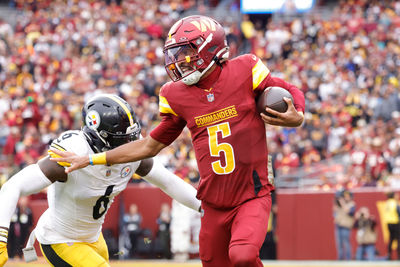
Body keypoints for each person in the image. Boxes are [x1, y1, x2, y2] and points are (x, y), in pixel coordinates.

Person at [50, 15, 305, 267]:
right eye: (175, 53)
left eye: (185, 52)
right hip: (214, 201)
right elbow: (149, 145)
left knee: (243, 255)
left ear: (210, 48)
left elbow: (290, 89)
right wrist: (92, 159)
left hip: (252, 193)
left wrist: (298, 115)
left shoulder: (245, 69)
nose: (178, 61)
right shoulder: (175, 94)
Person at [0, 94, 201, 267]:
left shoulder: (134, 155)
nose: (130, 144)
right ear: (100, 138)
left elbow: (168, 182)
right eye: (122, 138)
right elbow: (12, 186)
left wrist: (204, 207)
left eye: (131, 136)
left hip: (94, 238)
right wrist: (0, 238)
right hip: (60, 239)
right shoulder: (71, 154)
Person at [333, 189, 356, 260]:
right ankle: (340, 258)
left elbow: (349, 212)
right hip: (338, 225)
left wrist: (342, 203)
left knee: (346, 242)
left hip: (346, 226)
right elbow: (334, 213)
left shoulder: (352, 204)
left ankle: (348, 258)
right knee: (339, 243)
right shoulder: (339, 204)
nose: (346, 198)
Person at [383, 191, 400, 260]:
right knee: (398, 239)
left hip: (388, 223)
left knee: (391, 239)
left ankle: (389, 255)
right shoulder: (394, 203)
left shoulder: (387, 203)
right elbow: (398, 212)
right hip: (395, 222)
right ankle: (399, 255)